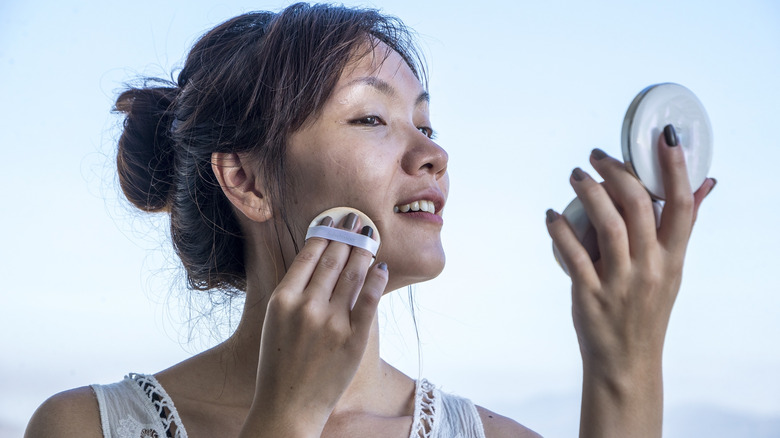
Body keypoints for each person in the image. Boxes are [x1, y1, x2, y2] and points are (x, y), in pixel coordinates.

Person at [24, 3, 715, 437]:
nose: (433, 153)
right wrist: (288, 419)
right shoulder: (85, 426)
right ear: (246, 179)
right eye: (372, 117)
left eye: (427, 122)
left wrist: (625, 363)